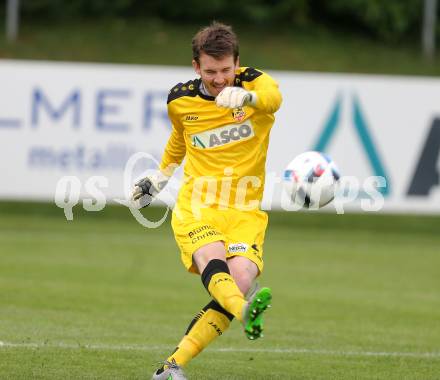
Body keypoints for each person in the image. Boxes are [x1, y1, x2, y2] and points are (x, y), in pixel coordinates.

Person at [132, 21, 282, 380]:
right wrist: (162, 174)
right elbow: (181, 137)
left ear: (237, 62)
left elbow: (275, 99)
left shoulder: (254, 85)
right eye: (211, 71)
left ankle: (171, 368)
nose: (220, 79)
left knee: (242, 277)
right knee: (215, 260)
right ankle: (245, 313)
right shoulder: (180, 99)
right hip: (198, 205)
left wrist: (249, 97)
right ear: (197, 67)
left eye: (227, 70)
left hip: (245, 209)